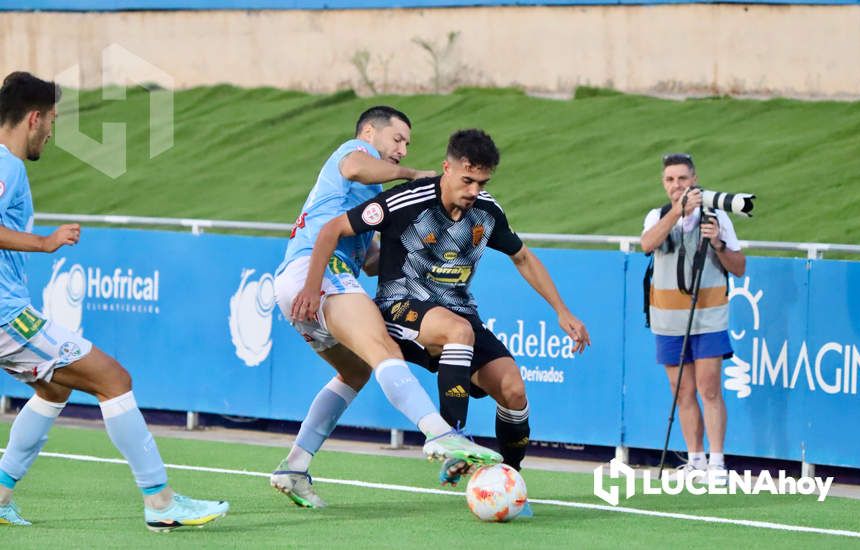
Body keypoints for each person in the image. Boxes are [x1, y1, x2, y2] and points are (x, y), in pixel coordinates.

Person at [294, 129, 590, 508]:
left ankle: (509, 482)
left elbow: (523, 257)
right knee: (456, 332)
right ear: (446, 168)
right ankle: (453, 442)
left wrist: (562, 312)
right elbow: (335, 227)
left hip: (459, 315)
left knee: (513, 389)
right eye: (467, 180)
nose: (473, 190)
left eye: (481, 182)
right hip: (400, 307)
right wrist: (312, 285)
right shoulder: (406, 199)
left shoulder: (487, 212)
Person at [0, 71, 228, 530]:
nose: (52, 132)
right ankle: (161, 503)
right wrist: (44, 243)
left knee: (54, 387)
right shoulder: (7, 164)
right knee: (113, 378)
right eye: (53, 122)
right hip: (6, 317)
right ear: (34, 118)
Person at [270, 108, 503, 509]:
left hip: (304, 279)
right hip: (319, 272)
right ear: (368, 132)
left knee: (356, 370)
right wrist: (413, 175)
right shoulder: (354, 153)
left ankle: (294, 466)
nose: (402, 148)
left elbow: (373, 259)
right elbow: (360, 168)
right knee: (385, 351)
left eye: (408, 144)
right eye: (397, 139)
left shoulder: (361, 198)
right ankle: (439, 434)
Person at [640, 153, 746, 481]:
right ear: (664, 183)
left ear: (694, 179)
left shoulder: (716, 216)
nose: (677, 185)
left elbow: (739, 268)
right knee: (681, 390)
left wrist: (716, 241)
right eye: (670, 180)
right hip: (668, 319)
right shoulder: (658, 216)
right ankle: (695, 459)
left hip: (709, 315)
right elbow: (647, 244)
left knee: (709, 388)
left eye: (682, 179)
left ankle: (717, 463)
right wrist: (676, 212)